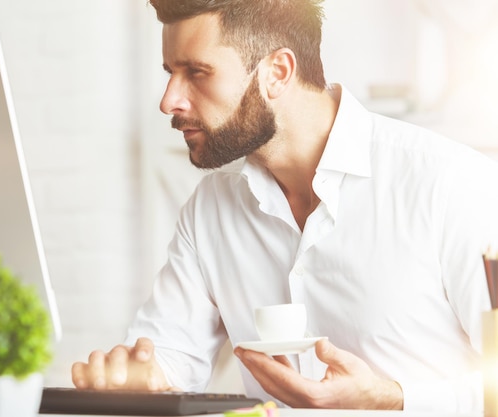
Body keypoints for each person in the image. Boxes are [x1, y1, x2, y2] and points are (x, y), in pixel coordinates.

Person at [71, 0, 498, 412]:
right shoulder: (211, 209)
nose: (169, 101)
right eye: (170, 73)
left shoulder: (450, 184)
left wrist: (389, 397)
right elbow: (168, 358)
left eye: (196, 73)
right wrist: (138, 380)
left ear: (278, 72)